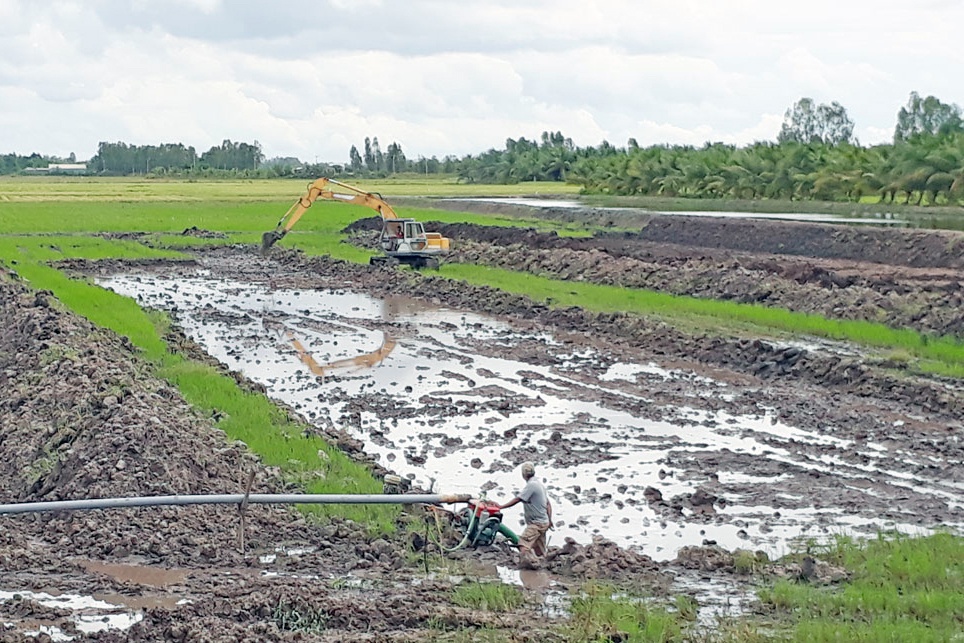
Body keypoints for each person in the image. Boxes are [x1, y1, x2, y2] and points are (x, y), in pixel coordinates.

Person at [499, 462, 553, 560]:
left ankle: (527, 565)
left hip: (536, 524)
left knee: (523, 543)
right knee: (539, 550)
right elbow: (548, 504)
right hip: (544, 522)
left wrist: (501, 507)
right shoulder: (539, 485)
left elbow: (518, 499)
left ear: (523, 474)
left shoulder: (531, 485)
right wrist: (549, 520)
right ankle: (541, 571)